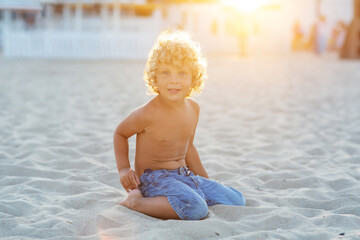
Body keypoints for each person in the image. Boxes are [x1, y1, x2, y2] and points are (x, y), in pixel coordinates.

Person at [113, 30, 246, 220]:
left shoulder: (193, 109)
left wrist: (204, 183)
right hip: (154, 180)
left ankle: (192, 194)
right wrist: (124, 169)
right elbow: (120, 133)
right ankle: (137, 202)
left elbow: (189, 148)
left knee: (237, 199)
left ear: (193, 78)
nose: (174, 80)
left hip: (185, 176)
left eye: (182, 73)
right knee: (196, 208)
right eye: (166, 73)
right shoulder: (148, 112)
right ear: (155, 77)